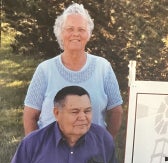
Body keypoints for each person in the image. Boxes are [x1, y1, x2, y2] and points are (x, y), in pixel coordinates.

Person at [0, 86, 122, 163]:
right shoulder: (32, 144)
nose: (83, 117)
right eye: (75, 112)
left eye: (87, 111)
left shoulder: (103, 140)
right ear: (57, 113)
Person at [23, 3, 123, 138]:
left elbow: (116, 112)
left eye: (81, 29)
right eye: (70, 29)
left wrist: (105, 146)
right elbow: (30, 116)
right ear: (60, 33)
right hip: (52, 153)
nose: (75, 34)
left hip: (92, 154)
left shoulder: (103, 68)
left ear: (88, 34)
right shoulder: (45, 70)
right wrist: (36, 150)